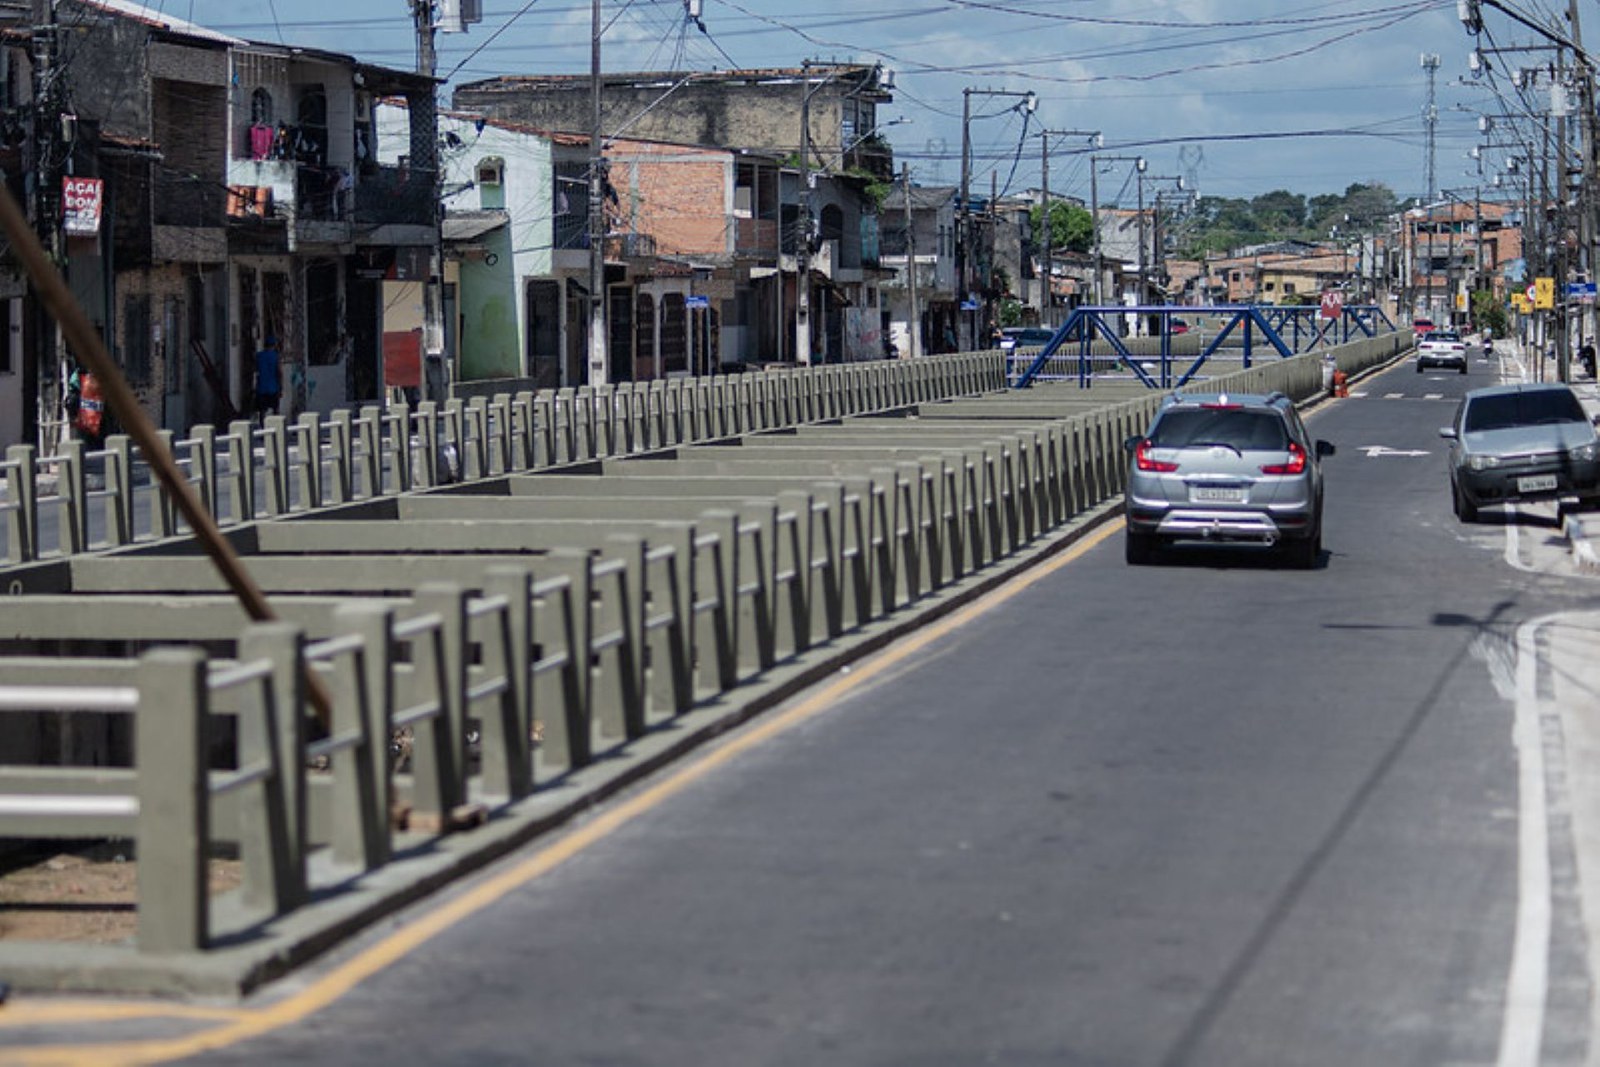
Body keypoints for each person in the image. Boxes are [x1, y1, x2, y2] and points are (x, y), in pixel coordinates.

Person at [254, 334, 282, 423]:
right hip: (273, 387)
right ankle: (277, 427)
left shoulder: (259, 356)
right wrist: (281, 387)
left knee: (262, 411)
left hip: (261, 388)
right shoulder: (276, 356)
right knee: (276, 409)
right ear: (273, 345)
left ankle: (263, 429)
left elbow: (256, 370)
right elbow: (279, 373)